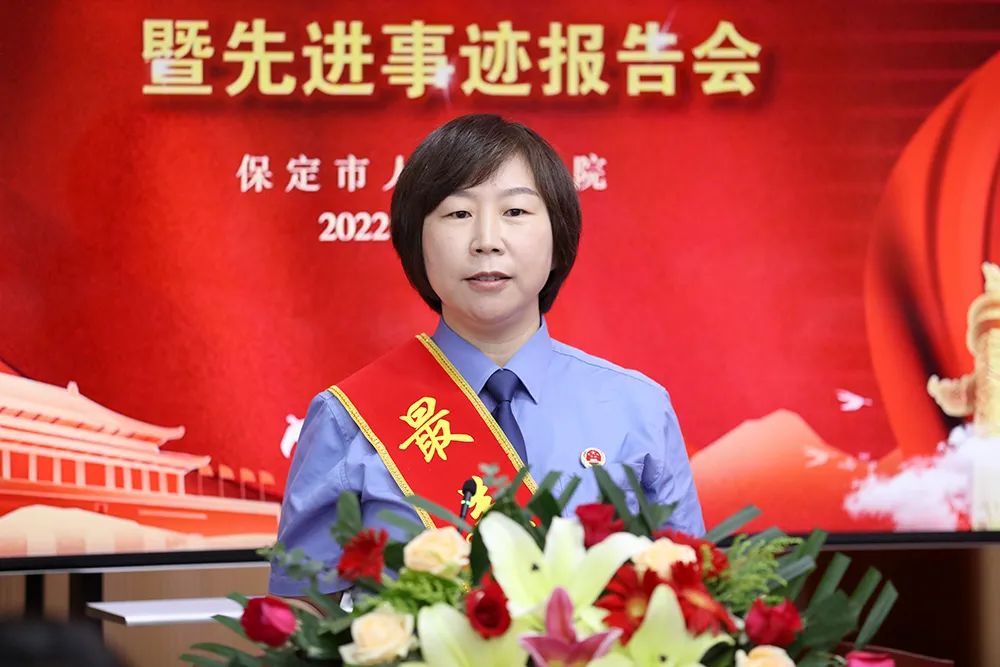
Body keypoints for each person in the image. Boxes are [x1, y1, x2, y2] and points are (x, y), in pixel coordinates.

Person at [269, 114, 704, 597]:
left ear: (558, 236)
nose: (486, 241)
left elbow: (691, 597)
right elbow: (304, 615)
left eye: (515, 211)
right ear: (416, 242)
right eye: (458, 214)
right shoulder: (346, 420)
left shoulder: (638, 410)